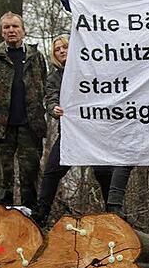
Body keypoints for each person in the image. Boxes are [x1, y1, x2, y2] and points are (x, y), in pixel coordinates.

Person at [33, 35, 131, 225]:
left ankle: (114, 217)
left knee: (103, 173)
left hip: (95, 134)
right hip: (70, 135)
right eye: (57, 49)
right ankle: (41, 214)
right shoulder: (54, 78)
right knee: (52, 171)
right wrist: (53, 108)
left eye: (65, 47)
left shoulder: (92, 70)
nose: (61, 51)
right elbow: (50, 99)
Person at [0, 11, 47, 210]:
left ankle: (32, 217)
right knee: (4, 175)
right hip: (2, 126)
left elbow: (43, 84)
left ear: (23, 30)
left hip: (31, 124)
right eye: (7, 27)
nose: (11, 30)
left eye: (15, 26)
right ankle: (3, 217)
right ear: (2, 32)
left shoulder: (35, 56)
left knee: (30, 172)